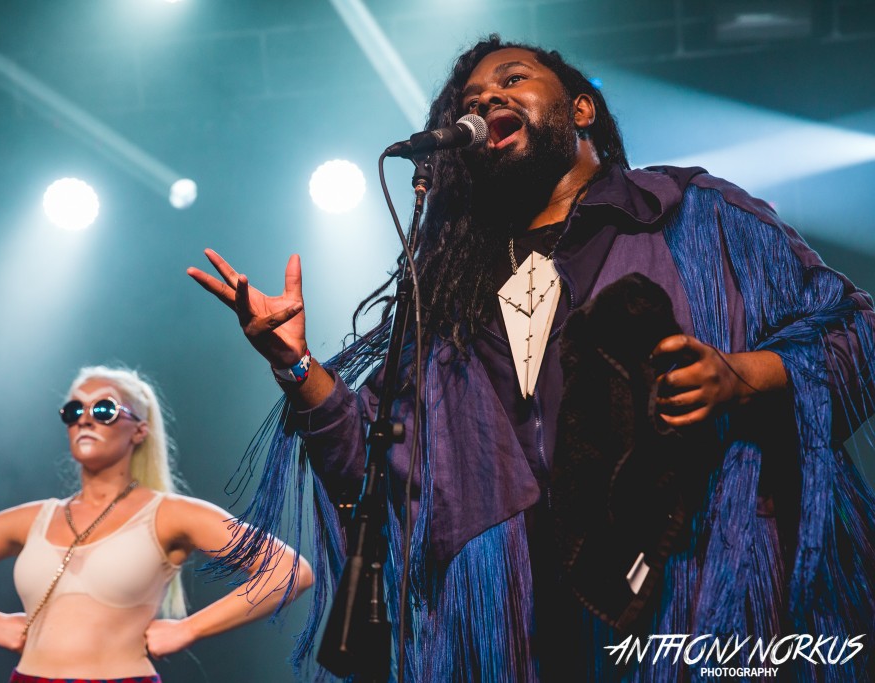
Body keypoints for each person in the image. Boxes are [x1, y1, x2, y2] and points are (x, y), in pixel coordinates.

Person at [188, 35, 875, 682]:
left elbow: (857, 332)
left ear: (581, 109)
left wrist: (741, 377)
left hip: (687, 586)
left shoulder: (690, 214)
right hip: (524, 626)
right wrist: (296, 365)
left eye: (511, 80)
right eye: (469, 100)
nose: (484, 101)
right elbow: (377, 458)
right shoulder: (451, 287)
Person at [0, 365, 313, 683]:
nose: (85, 418)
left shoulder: (170, 514)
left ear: (139, 431)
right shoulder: (33, 518)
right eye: (74, 409)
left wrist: (189, 629)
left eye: (104, 409)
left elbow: (289, 571)